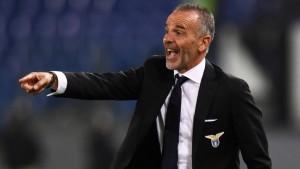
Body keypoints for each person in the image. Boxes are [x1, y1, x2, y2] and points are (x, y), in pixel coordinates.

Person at [19, 3, 272, 169]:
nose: (167, 38)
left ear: (203, 43)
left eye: (179, 32)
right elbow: (105, 84)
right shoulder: (155, 73)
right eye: (167, 30)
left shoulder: (232, 92)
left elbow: (258, 161)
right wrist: (54, 78)